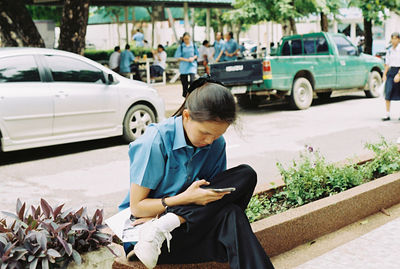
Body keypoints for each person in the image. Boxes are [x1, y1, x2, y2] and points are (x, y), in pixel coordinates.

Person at [119, 75, 275, 269]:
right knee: (232, 215)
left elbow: (213, 201)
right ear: (187, 116)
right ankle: (162, 226)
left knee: (246, 175)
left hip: (189, 230)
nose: (210, 141)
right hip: (147, 241)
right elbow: (138, 208)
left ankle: (170, 221)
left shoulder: (216, 144)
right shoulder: (155, 141)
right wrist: (184, 199)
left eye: (217, 135)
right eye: (205, 133)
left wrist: (178, 214)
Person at [382, 32, 400, 121]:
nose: (394, 40)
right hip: (391, 71)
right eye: (392, 38)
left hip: (399, 71)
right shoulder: (389, 50)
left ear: (399, 39)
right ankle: (387, 114)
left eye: (395, 38)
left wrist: (399, 74)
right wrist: (384, 74)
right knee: (388, 92)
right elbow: (387, 63)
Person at [174, 32, 199, 97]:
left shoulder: (193, 45)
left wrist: (193, 58)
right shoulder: (181, 46)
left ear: (190, 38)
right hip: (183, 66)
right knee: (184, 83)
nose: (186, 40)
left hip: (192, 65)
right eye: (185, 39)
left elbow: (197, 54)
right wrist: (187, 60)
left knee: (192, 81)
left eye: (187, 39)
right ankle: (185, 96)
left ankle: (192, 95)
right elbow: (177, 57)